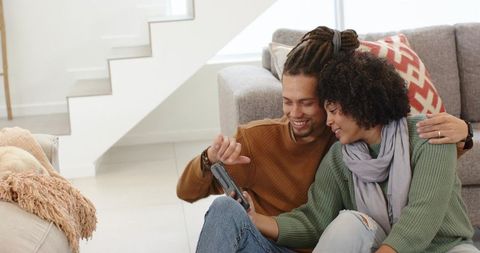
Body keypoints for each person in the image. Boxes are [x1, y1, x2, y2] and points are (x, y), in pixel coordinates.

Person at [177, 27, 473, 251]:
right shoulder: (340, 154)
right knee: (226, 208)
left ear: (350, 100)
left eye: (309, 103)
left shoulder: (418, 134)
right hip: (283, 246)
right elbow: (314, 218)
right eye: (287, 101)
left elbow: (425, 199)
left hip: (440, 247)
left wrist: (465, 134)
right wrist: (210, 162)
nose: (294, 113)